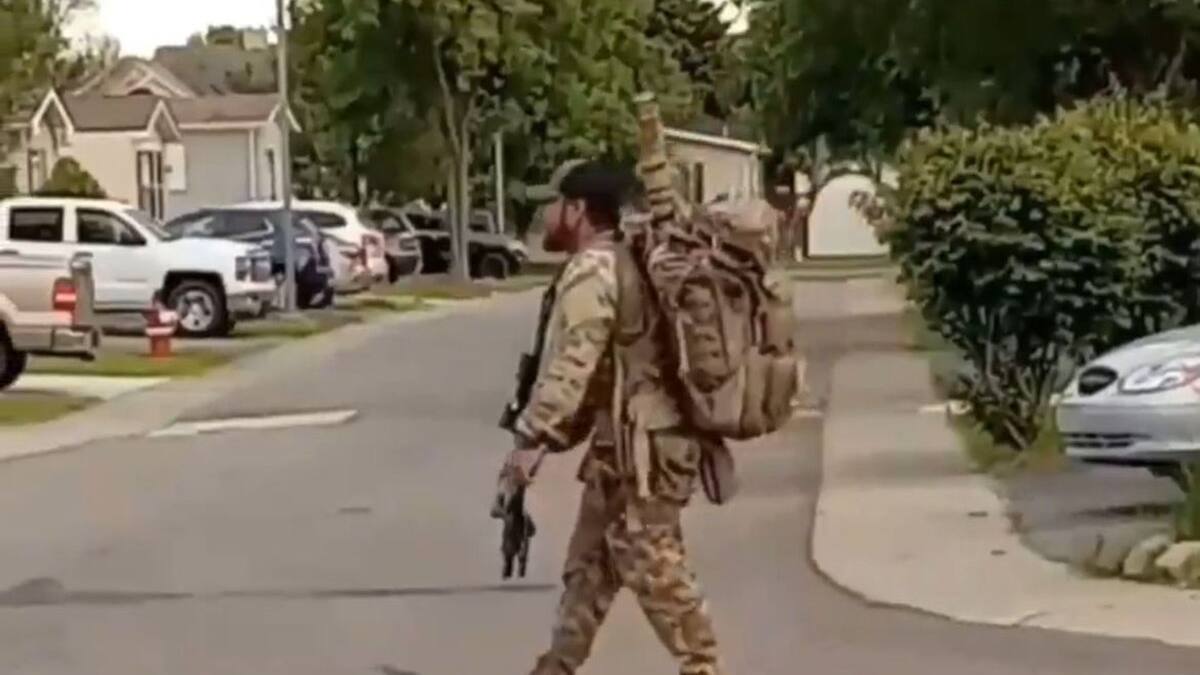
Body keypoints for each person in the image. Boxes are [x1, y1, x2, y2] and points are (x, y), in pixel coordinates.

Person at [500, 159, 727, 675]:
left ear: (577, 210)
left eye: (555, 205)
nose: (547, 216)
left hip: (646, 446)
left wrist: (534, 439)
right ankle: (556, 667)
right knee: (590, 569)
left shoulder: (595, 269)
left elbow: (575, 359)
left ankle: (704, 668)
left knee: (655, 564)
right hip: (623, 443)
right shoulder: (619, 261)